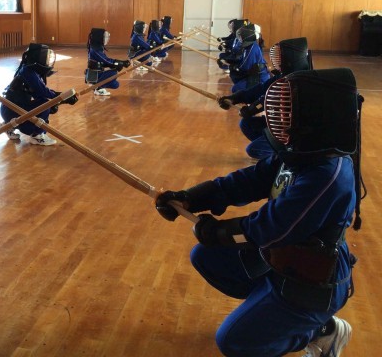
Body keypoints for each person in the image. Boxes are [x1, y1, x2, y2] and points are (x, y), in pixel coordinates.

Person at [155, 68, 363, 357]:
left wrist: (217, 231)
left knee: (234, 342)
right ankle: (269, 313)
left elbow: (272, 228)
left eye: (289, 113)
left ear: (317, 116)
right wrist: (192, 198)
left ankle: (320, 331)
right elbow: (248, 180)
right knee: (206, 255)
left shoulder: (329, 176)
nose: (279, 118)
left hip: (313, 277)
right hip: (279, 256)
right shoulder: (302, 151)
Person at [218, 37, 313, 159]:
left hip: (294, 132)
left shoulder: (302, 81)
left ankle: (286, 153)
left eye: (279, 58)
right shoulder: (283, 76)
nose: (276, 62)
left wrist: (253, 109)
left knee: (254, 150)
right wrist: (234, 98)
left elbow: (272, 99)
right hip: (280, 124)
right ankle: (275, 149)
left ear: (291, 58)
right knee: (247, 124)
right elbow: (259, 89)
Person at [0, 43, 78, 145]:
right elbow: (43, 92)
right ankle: (37, 135)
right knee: (45, 104)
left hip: (9, 110)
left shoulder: (28, 69)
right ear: (39, 57)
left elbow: (39, 95)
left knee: (48, 105)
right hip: (12, 111)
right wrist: (63, 97)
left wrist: (61, 101)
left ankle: (8, 126)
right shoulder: (28, 72)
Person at [85, 28, 130, 96]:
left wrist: (119, 63)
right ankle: (97, 87)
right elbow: (106, 60)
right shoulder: (95, 50)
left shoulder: (97, 47)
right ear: (99, 37)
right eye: (106, 37)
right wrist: (120, 63)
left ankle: (98, 87)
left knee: (115, 83)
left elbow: (105, 61)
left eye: (108, 37)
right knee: (114, 75)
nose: (108, 39)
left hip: (97, 73)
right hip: (94, 75)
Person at [226, 23, 270, 93]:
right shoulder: (249, 46)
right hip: (254, 74)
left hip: (258, 78)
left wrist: (233, 67)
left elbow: (245, 66)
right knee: (235, 79)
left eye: (241, 37)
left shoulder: (252, 49)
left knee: (235, 89)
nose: (239, 39)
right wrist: (229, 61)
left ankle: (256, 93)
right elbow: (241, 59)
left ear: (246, 36)